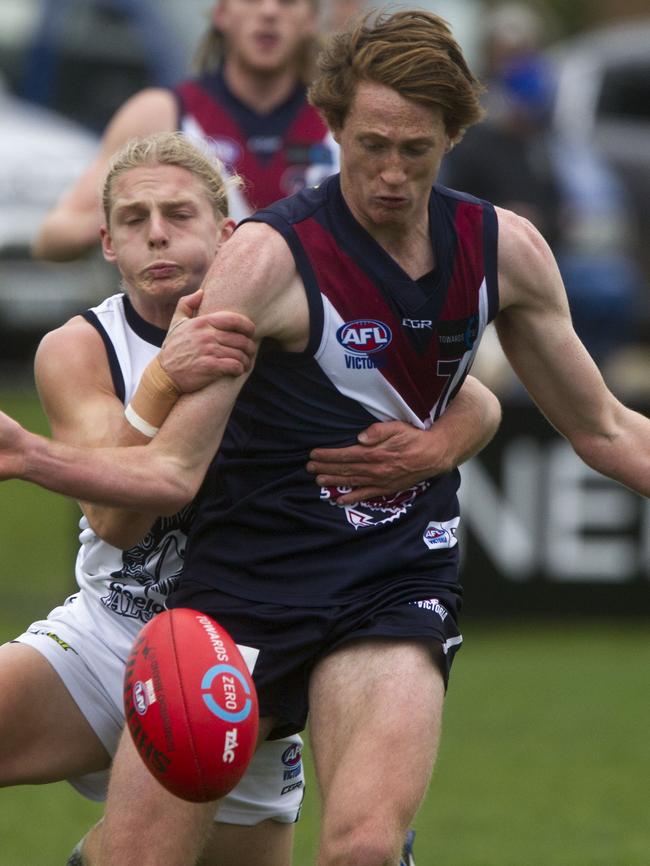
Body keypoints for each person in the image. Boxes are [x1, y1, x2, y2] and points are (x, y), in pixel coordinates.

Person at [4, 9, 646, 865]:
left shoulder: (506, 251)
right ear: (333, 126)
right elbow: (169, 474)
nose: (388, 172)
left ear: (453, 136)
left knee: (362, 851)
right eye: (368, 144)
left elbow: (608, 430)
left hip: (391, 581)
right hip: (241, 593)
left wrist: (460, 427)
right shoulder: (266, 258)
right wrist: (29, 455)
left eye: (414, 149)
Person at [1, 130, 501, 866]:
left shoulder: (281, 311)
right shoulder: (82, 346)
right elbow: (115, 518)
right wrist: (166, 378)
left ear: (230, 231)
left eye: (178, 213)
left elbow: (474, 397)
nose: (158, 234)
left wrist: (443, 442)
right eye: (134, 221)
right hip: (112, 634)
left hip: (242, 657)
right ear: (107, 243)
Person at [32, 0, 338, 261]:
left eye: (288, 1)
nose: (269, 11)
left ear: (311, 20)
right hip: (196, 322)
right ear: (221, 13)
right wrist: (132, 216)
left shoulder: (342, 116)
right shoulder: (160, 113)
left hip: (320, 324)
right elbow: (52, 239)